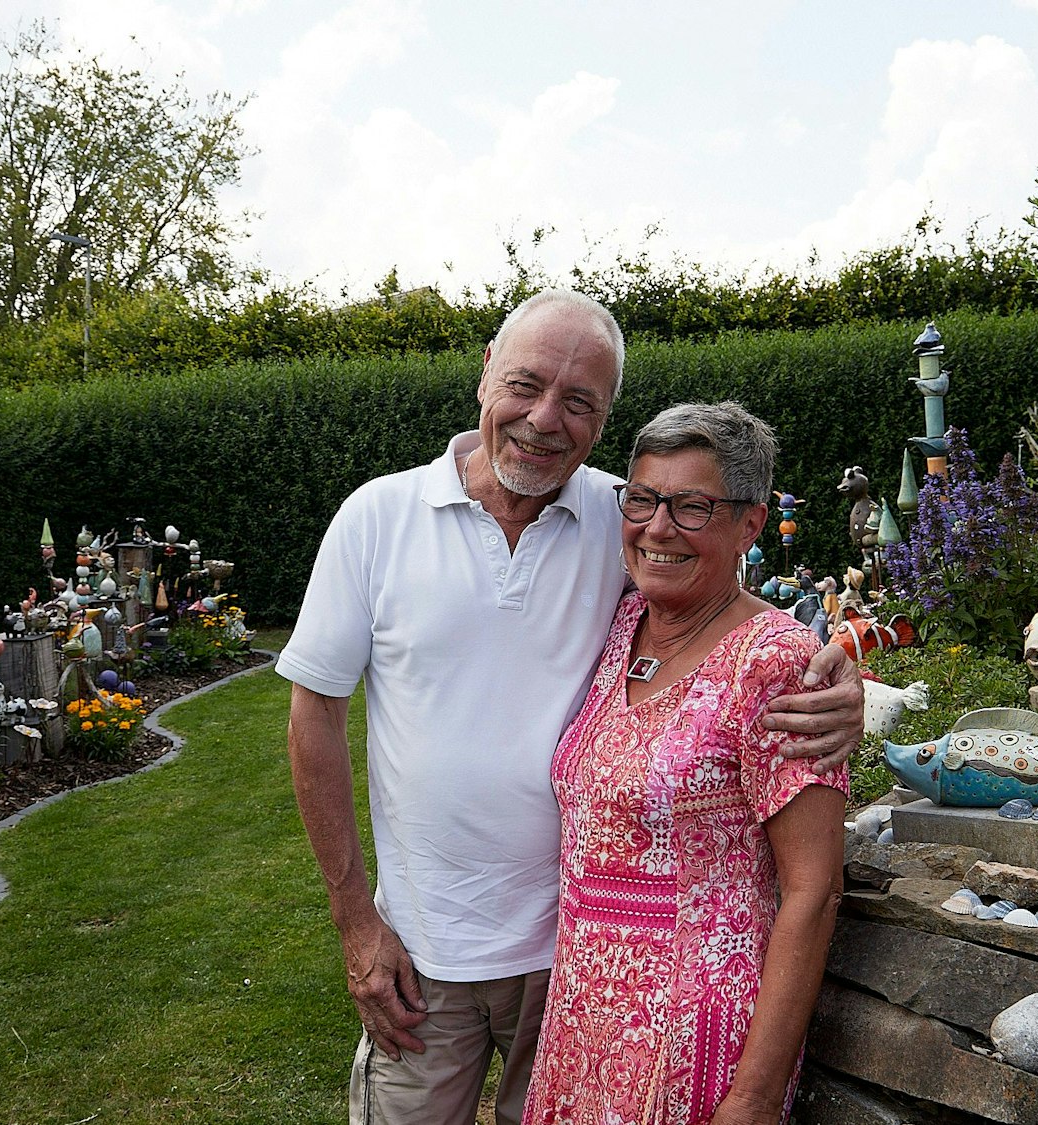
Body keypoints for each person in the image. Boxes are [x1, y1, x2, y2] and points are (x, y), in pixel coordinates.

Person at [277, 290, 862, 1124]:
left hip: (567, 966)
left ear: (602, 420)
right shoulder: (378, 517)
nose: (544, 419)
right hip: (421, 954)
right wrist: (354, 921)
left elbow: (736, 609)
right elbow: (314, 720)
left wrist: (842, 672)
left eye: (579, 402)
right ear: (485, 374)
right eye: (526, 384)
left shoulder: (619, 514)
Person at [522, 402, 843, 1124]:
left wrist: (755, 1097)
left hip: (696, 1036)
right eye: (643, 498)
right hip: (584, 1020)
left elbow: (814, 888)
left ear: (750, 525)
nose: (658, 527)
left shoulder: (775, 662)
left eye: (693, 506)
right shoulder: (621, 623)